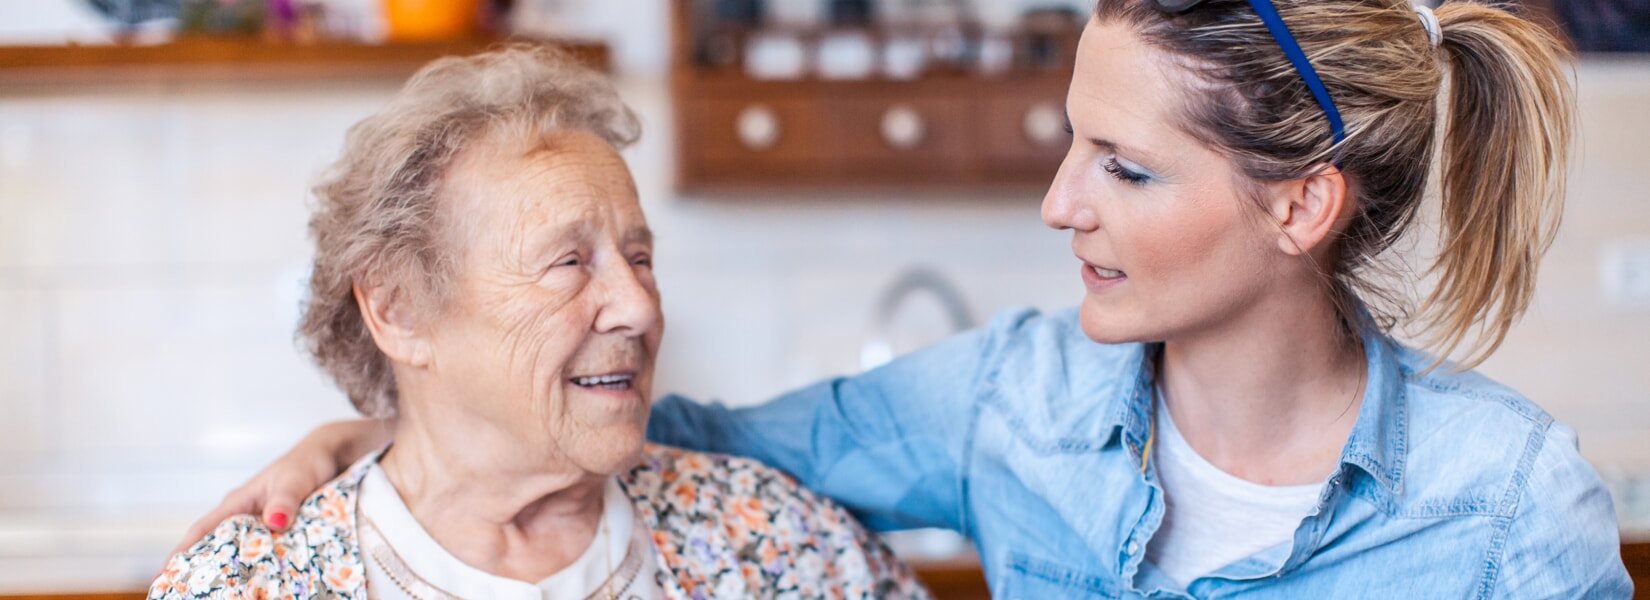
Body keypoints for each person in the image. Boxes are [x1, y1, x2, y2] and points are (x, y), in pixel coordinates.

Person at [175, 0, 1633, 597]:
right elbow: (669, 432)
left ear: (1296, 207)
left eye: (1122, 169)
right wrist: (363, 450)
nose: (1058, 202)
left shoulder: (1504, 510)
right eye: (1072, 145)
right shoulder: (1011, 401)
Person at [151, 45, 926, 600]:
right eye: (569, 263)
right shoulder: (251, 584)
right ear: (396, 310)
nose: (639, 306)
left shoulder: (776, 539)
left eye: (640, 257)